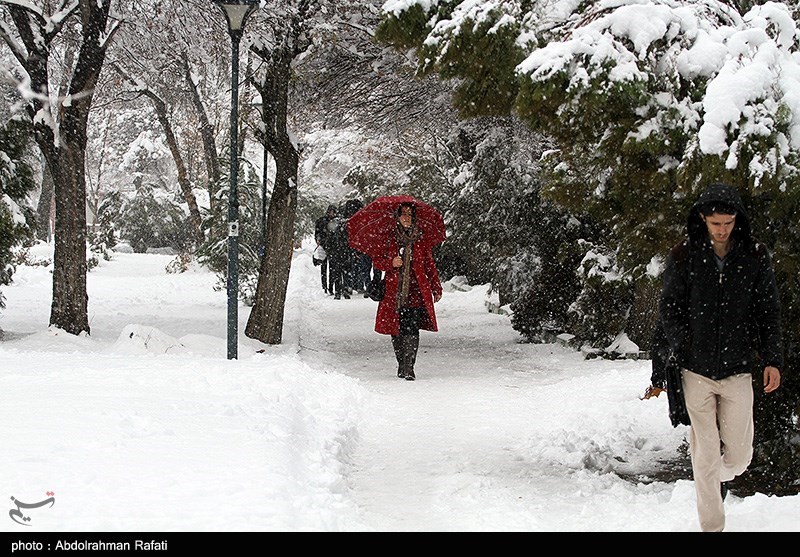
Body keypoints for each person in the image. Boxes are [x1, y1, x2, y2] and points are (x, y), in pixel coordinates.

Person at [656, 182, 783, 532]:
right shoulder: (684, 255)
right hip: (695, 370)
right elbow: (670, 307)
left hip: (738, 369)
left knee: (739, 456)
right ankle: (712, 528)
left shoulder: (755, 256)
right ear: (703, 219)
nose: (722, 229)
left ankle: (716, 472)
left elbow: (769, 311)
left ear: (737, 220)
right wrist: (684, 344)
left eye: (728, 222)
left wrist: (773, 358)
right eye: (716, 223)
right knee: (707, 453)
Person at [372, 202, 442, 381]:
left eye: (409, 215)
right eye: (403, 214)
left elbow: (429, 264)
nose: (406, 218)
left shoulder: (421, 239)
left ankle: (409, 366)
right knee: (396, 329)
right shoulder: (389, 238)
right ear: (397, 216)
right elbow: (377, 262)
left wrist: (436, 286)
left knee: (411, 328)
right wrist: (391, 263)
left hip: (416, 292)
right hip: (393, 293)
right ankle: (401, 363)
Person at [314, 205, 337, 295]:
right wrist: (318, 239)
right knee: (324, 268)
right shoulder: (322, 221)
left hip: (333, 247)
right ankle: (325, 287)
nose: (331, 214)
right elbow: (317, 232)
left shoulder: (335, 221)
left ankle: (330, 287)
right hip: (325, 246)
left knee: (332, 269)